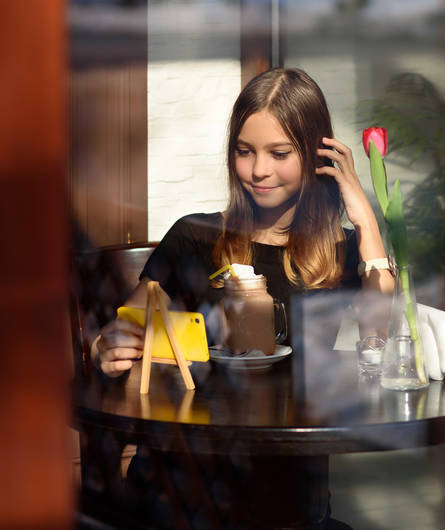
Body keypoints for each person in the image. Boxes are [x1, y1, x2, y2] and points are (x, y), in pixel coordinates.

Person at [92, 65, 394, 374]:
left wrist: (366, 222)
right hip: (210, 417)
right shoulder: (194, 237)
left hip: (313, 420)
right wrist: (106, 347)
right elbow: (118, 333)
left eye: (279, 154)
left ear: (315, 156)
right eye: (245, 151)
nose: (259, 169)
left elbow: (379, 344)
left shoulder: (349, 250)